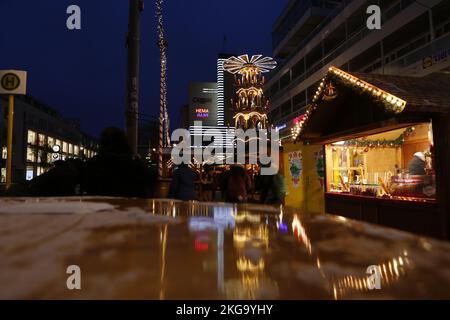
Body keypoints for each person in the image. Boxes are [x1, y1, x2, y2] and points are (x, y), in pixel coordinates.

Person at [83, 127, 157, 197]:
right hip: (131, 207)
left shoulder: (93, 164)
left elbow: (87, 187)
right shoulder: (134, 164)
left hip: (99, 207)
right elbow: (151, 179)